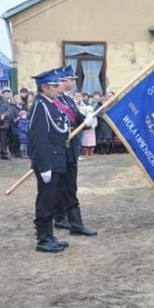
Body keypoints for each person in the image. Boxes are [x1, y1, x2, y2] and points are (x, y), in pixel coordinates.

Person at [28, 69, 70, 252]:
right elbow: (39, 138)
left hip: (57, 158)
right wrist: (44, 165)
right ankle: (43, 239)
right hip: (49, 161)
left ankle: (50, 236)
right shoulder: (40, 105)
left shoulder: (50, 104)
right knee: (45, 200)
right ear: (44, 87)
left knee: (52, 199)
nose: (58, 88)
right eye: (54, 85)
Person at [54, 66, 98, 236]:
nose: (74, 83)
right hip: (60, 149)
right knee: (62, 186)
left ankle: (64, 217)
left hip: (70, 149)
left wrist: (86, 120)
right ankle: (69, 221)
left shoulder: (68, 99)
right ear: (63, 81)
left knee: (69, 186)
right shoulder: (54, 100)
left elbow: (76, 117)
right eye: (72, 80)